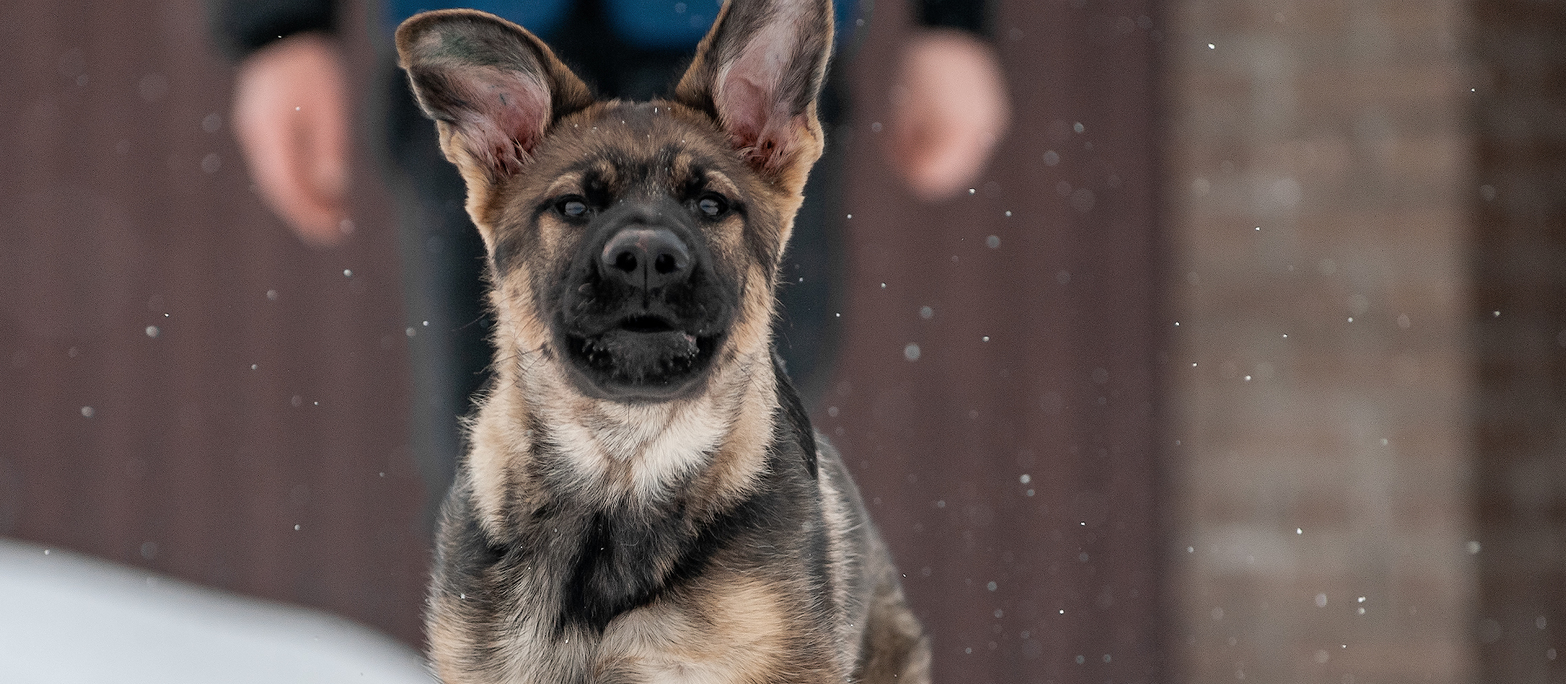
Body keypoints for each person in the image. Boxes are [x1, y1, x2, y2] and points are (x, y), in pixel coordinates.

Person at [211, 0, 1009, 520]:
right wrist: (279, 25)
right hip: (493, 53)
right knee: (505, 479)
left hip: (741, 47)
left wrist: (956, 21)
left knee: (746, 464)